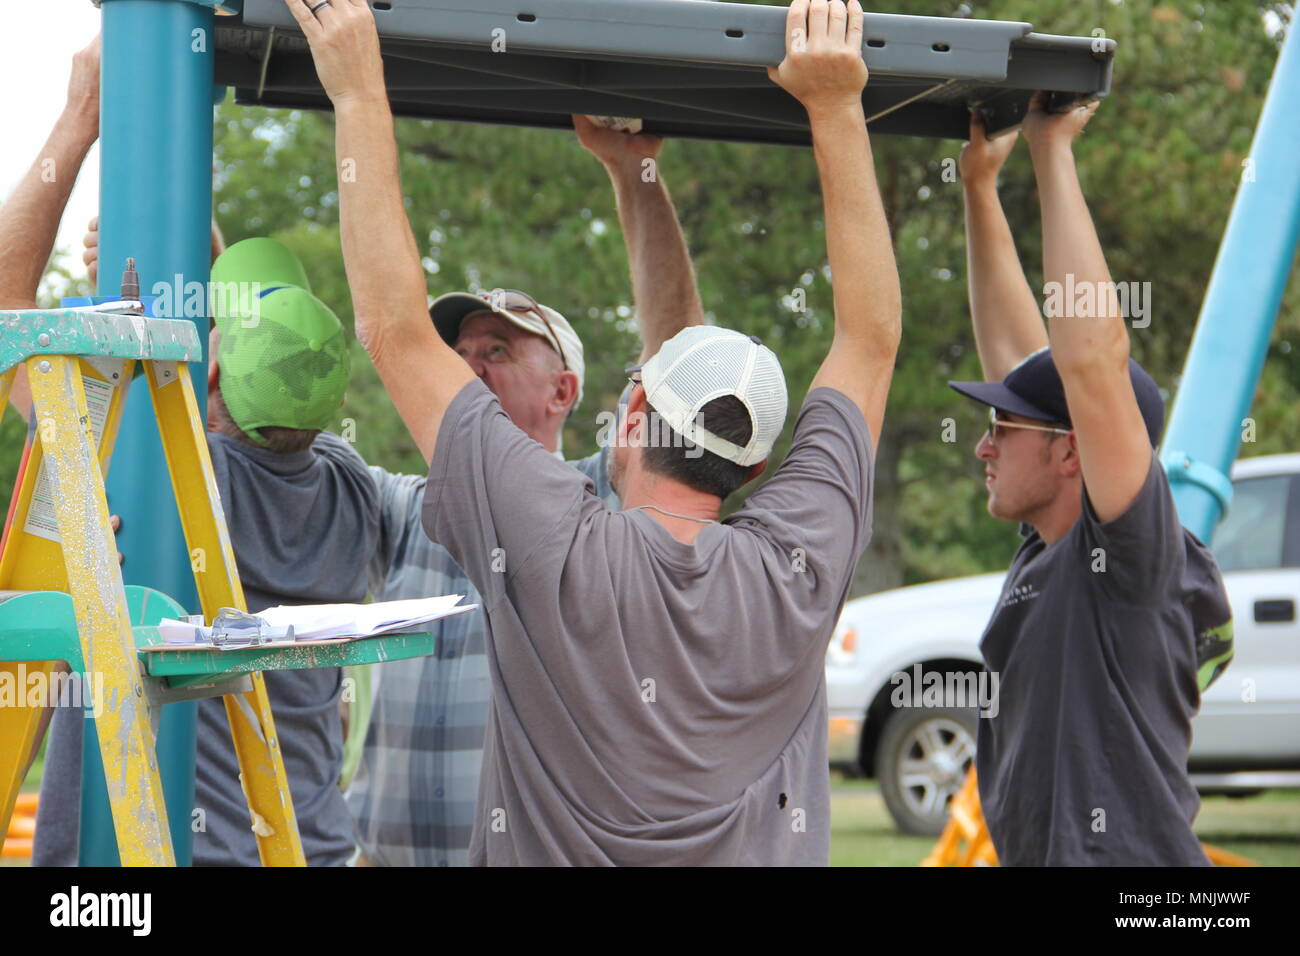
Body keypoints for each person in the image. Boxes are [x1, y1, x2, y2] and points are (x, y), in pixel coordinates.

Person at [287, 0, 900, 864]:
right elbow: (869, 341)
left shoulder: (551, 540)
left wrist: (356, 90)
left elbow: (390, 326)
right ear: (758, 462)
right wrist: (839, 107)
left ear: (630, 411)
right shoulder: (799, 563)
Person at [0, 46, 381, 864]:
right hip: (307, 848)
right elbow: (256, 383)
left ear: (208, 368)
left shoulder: (155, 469)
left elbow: (6, 300)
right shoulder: (347, 488)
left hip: (141, 861)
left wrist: (80, 123)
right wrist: (182, 268)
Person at [348, 115, 705, 866]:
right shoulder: (404, 508)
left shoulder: (597, 505)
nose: (466, 369)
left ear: (564, 391)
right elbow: (256, 417)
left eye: (499, 351)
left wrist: (635, 175)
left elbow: (682, 364)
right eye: (457, 353)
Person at [949, 101, 1234, 865]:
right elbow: (1024, 361)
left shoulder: (1128, 563)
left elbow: (1089, 363)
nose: (982, 447)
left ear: (1074, 451)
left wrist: (1052, 150)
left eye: (1001, 431)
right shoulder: (1050, 547)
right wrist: (979, 189)